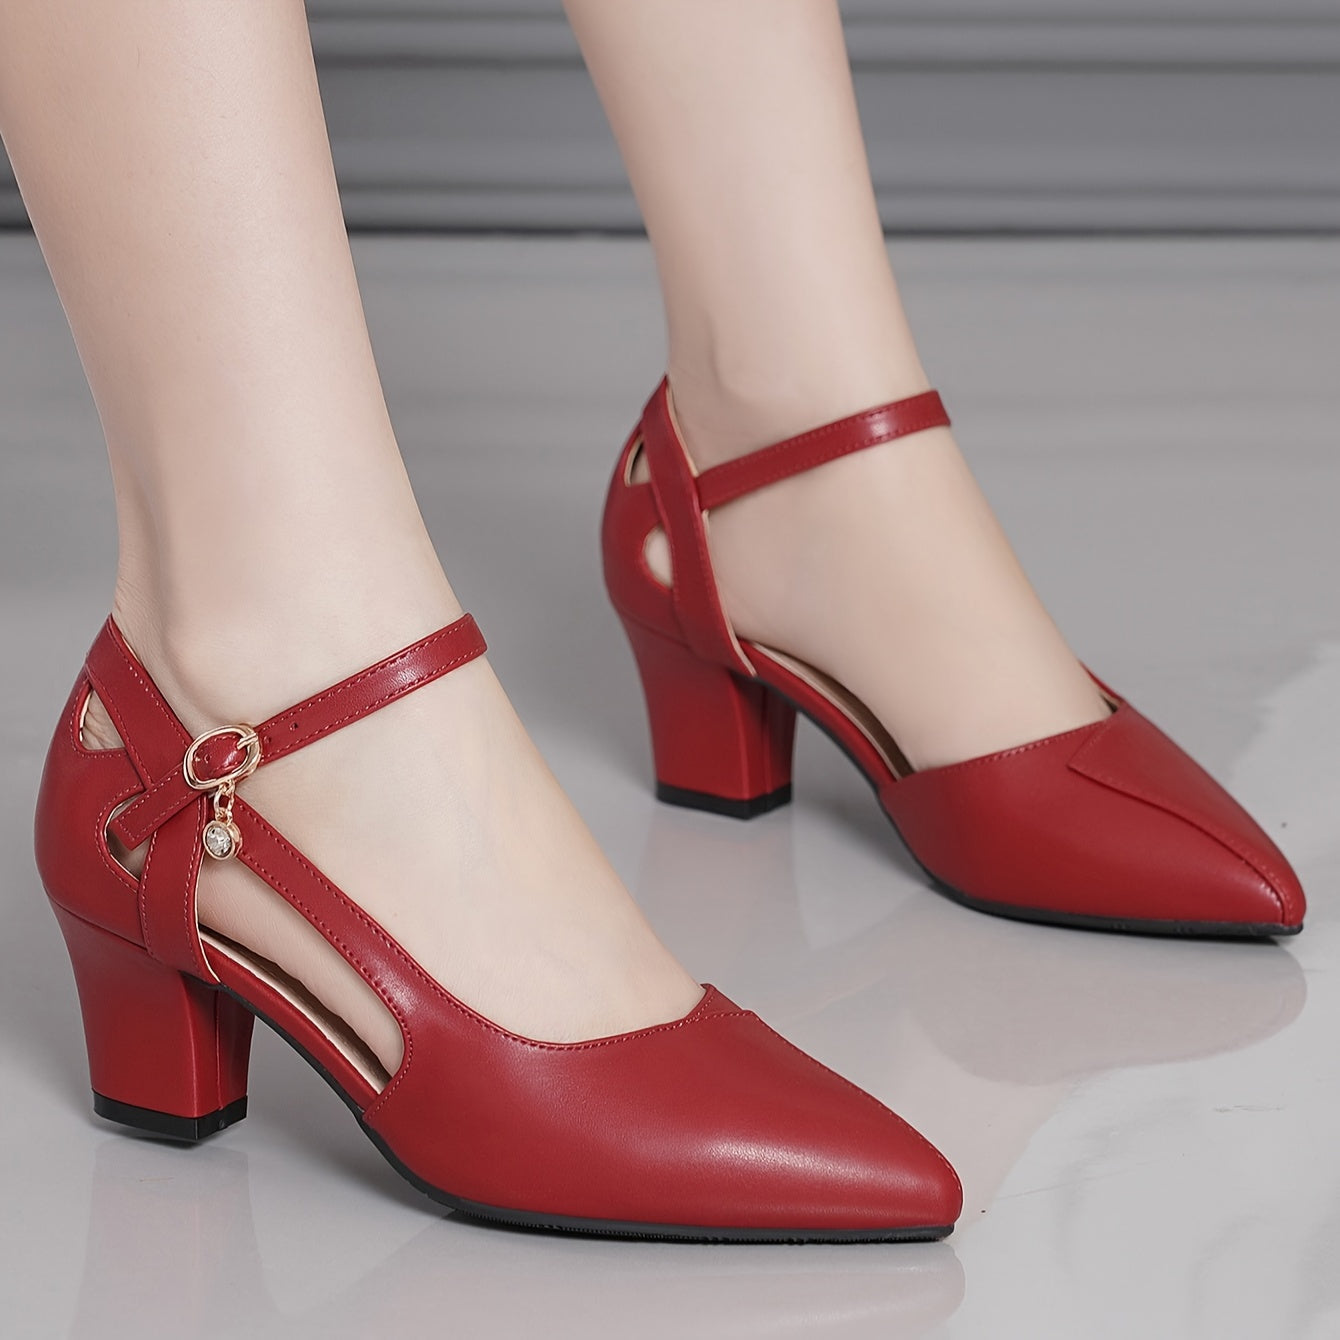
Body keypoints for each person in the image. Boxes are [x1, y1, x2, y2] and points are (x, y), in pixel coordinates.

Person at [4, 0, 1302, 1242]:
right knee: (268, 585)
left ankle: (795, 416)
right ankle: (260, 630)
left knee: (789, 365)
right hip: (220, 738)